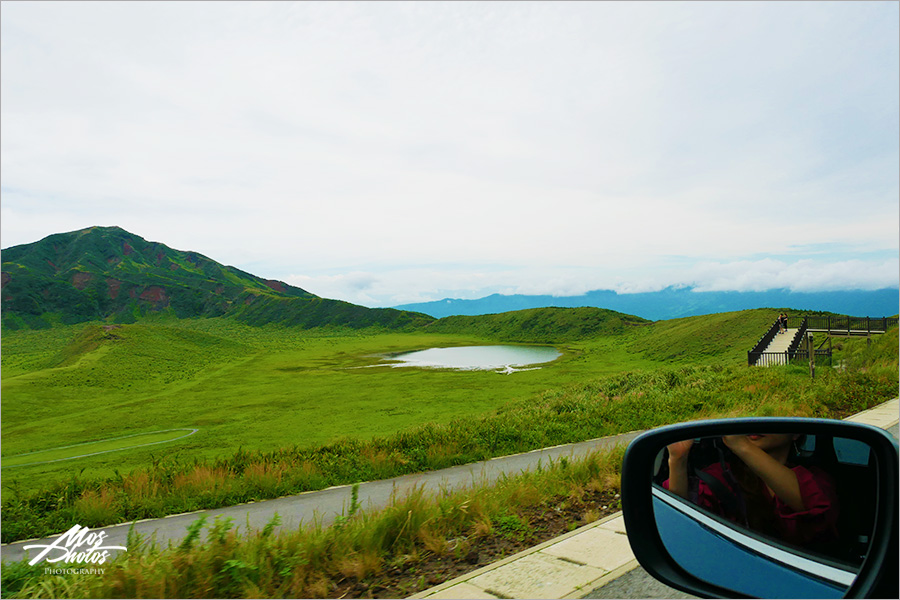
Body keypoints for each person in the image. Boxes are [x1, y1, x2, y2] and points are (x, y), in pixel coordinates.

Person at [664, 433, 839, 547]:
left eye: (769, 416)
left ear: (795, 433)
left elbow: (815, 506)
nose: (756, 422)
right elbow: (682, 519)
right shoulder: (722, 475)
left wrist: (743, 446)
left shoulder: (815, 479)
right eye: (750, 416)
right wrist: (677, 459)